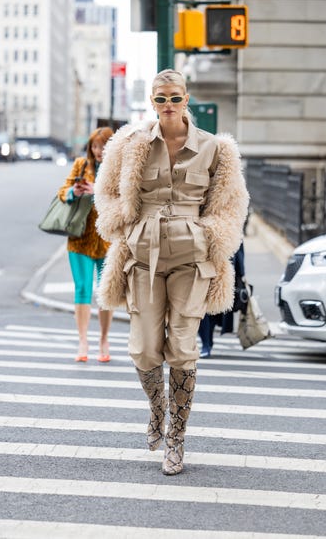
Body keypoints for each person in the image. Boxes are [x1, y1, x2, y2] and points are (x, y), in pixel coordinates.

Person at [94, 69, 249, 475]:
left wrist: (210, 234)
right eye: (160, 98)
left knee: (182, 347)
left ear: (187, 99)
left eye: (174, 98)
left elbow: (231, 205)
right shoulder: (129, 144)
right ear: (151, 100)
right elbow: (106, 192)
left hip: (191, 258)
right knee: (144, 349)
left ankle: (176, 437)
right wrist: (124, 224)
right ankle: (157, 411)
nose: (167, 105)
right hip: (142, 255)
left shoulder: (215, 148)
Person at [58, 127, 114, 363]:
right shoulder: (82, 165)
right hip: (79, 239)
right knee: (82, 289)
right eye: (95, 146)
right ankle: (83, 340)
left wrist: (96, 192)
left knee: (105, 294)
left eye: (103, 145)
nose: (99, 151)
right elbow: (62, 192)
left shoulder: (117, 169)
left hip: (108, 241)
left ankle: (103, 339)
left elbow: (124, 202)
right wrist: (74, 191)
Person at [199, 243, 246, 358]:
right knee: (201, 307)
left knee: (215, 307)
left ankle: (207, 341)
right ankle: (206, 342)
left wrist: (241, 274)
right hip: (201, 262)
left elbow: (237, 243)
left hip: (223, 266)